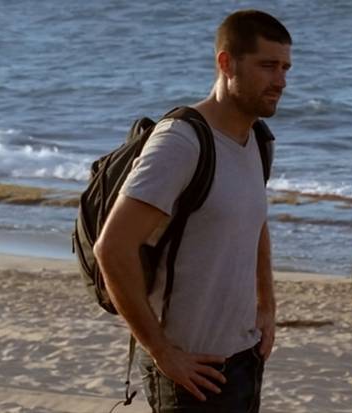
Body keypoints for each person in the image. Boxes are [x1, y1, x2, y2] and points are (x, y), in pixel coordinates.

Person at [93, 10, 291, 412]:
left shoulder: (257, 139)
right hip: (190, 373)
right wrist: (163, 352)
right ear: (226, 63)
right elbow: (112, 248)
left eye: (286, 67)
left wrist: (266, 306)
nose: (280, 82)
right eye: (267, 66)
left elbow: (255, 221)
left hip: (245, 358)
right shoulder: (181, 143)